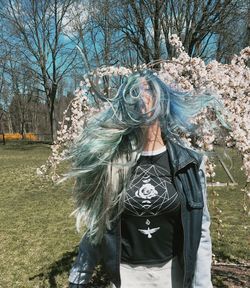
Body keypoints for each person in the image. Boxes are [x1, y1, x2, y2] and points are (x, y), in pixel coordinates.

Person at [65, 70, 226, 288]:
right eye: (134, 90)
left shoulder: (190, 163)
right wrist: (78, 279)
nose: (142, 95)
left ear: (163, 100)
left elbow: (201, 232)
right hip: (126, 277)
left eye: (148, 89)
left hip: (172, 277)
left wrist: (203, 285)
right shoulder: (113, 163)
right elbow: (97, 225)